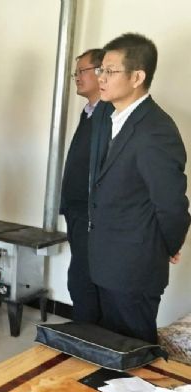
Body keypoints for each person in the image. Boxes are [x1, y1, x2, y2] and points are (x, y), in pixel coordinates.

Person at [88, 33, 190, 343]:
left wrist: (168, 246)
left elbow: (172, 205)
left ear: (137, 77)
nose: (101, 78)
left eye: (110, 71)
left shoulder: (155, 130)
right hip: (108, 261)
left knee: (132, 352)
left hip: (134, 268)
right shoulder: (112, 117)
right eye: (101, 70)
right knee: (109, 349)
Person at [60, 48, 106, 323]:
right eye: (75, 73)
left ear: (101, 72)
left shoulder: (109, 115)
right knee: (79, 278)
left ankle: (86, 336)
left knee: (83, 280)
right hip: (76, 211)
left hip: (91, 215)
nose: (76, 77)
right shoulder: (89, 112)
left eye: (81, 71)